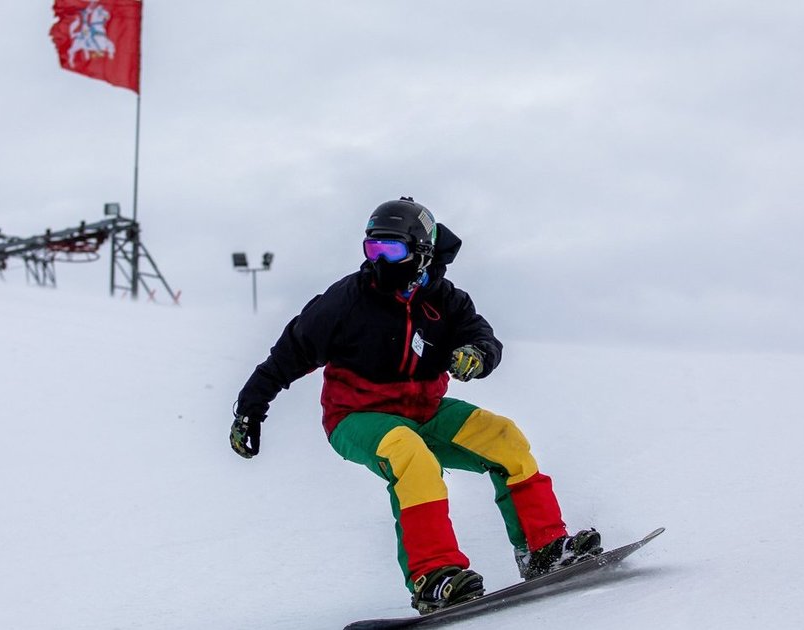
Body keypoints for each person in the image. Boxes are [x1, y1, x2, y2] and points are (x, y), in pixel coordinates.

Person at [229, 197, 603, 613]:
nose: (381, 260)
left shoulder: (446, 301)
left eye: (393, 250)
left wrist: (477, 356)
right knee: (412, 455)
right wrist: (250, 408)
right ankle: (433, 576)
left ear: (422, 252)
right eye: (373, 249)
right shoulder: (346, 300)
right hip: (357, 415)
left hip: (426, 411)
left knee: (504, 438)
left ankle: (544, 550)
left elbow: (484, 338)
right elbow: (290, 352)